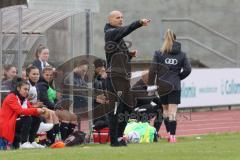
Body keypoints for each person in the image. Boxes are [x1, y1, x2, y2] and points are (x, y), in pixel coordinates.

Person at [104, 10, 150, 146]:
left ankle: (119, 137)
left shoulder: (116, 35)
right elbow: (126, 30)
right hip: (115, 79)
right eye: (118, 17)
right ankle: (114, 141)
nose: (121, 19)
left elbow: (114, 56)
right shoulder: (110, 33)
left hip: (123, 79)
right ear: (110, 20)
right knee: (115, 110)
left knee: (128, 108)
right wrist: (139, 23)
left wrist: (129, 54)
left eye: (122, 17)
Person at [148, 29, 191, 143]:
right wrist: (178, 78)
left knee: (165, 111)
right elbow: (188, 69)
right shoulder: (182, 55)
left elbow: (152, 70)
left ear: (165, 39)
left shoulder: (158, 53)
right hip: (175, 86)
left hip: (162, 86)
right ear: (175, 39)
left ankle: (168, 134)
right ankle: (172, 136)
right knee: (172, 112)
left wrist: (150, 84)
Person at [0, 78, 45, 150]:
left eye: (28, 89)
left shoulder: (23, 99)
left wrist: (41, 110)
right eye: (25, 89)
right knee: (27, 118)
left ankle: (32, 141)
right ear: (18, 88)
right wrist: (36, 110)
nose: (26, 91)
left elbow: (30, 109)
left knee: (37, 118)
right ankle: (23, 143)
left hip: (14, 121)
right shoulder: (11, 97)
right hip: (7, 124)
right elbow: (20, 111)